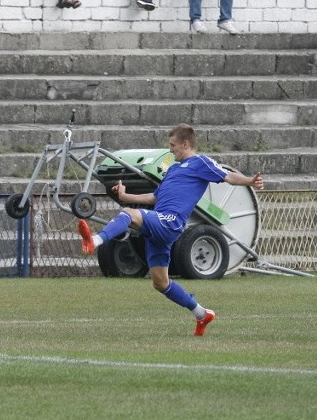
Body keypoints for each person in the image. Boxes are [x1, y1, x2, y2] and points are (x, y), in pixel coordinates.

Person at [77, 123, 264, 337]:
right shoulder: (174, 169)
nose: (170, 149)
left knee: (129, 214)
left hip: (171, 221)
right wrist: (126, 196)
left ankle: (94, 240)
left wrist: (250, 181)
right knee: (160, 282)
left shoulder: (201, 162)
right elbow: (155, 197)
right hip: (160, 225)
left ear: (186, 144)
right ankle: (202, 314)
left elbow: (227, 176)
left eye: (173, 145)